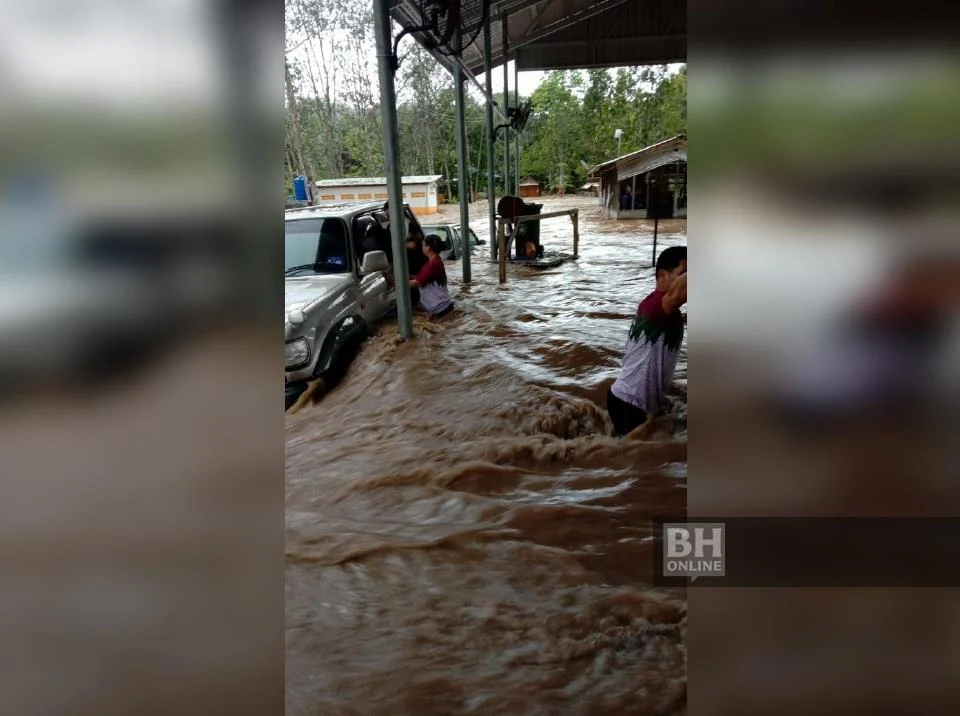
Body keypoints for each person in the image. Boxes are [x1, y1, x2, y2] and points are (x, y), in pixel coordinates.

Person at [607, 245, 687, 436]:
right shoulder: (653, 306)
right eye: (684, 273)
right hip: (629, 402)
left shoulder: (671, 313)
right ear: (662, 277)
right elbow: (676, 295)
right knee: (631, 461)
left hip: (636, 403)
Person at [410, 234, 454, 318]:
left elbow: (417, 283)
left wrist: (397, 281)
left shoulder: (432, 265)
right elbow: (422, 278)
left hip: (439, 310)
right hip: (443, 307)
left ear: (428, 248)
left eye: (423, 245)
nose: (421, 247)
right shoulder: (436, 260)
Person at [405, 225, 427, 306]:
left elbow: (412, 245)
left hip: (416, 278)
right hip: (418, 277)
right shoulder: (423, 244)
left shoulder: (417, 244)